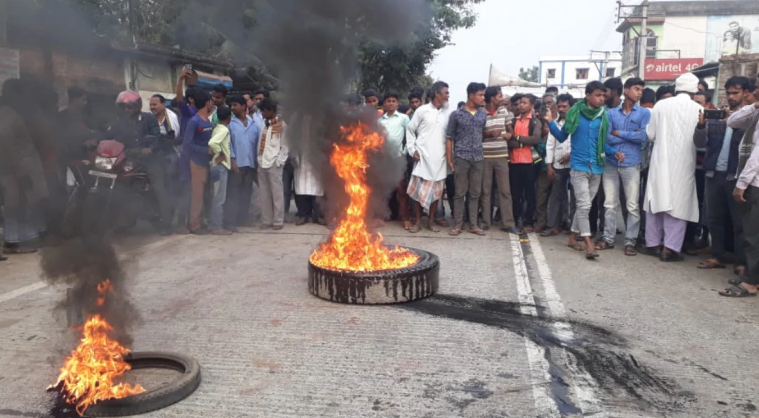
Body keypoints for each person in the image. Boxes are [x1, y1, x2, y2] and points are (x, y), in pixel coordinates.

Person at [642, 73, 708, 261]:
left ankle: (653, 243)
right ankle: (670, 248)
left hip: (660, 160)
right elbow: (701, 140)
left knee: (656, 199)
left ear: (676, 87)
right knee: (679, 204)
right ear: (695, 89)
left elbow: (651, 134)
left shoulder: (661, 105)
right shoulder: (698, 109)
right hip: (685, 162)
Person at [546, 81, 612, 260]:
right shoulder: (575, 113)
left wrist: (615, 152)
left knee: (585, 206)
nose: (601, 99)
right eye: (598, 95)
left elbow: (603, 143)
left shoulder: (603, 115)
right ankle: (588, 243)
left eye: (603, 96)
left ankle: (572, 237)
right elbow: (561, 136)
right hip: (579, 166)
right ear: (588, 95)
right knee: (584, 205)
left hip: (597, 166)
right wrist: (551, 123)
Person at [697, 77, 751, 273]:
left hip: (735, 176)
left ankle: (741, 262)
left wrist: (732, 121)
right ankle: (717, 256)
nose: (731, 97)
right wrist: (702, 125)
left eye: (735, 93)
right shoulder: (717, 115)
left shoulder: (749, 118)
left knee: (739, 223)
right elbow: (700, 143)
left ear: (746, 93)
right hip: (713, 174)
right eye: (728, 93)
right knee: (714, 219)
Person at [107, 90, 175, 235]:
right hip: (129, 159)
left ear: (137, 106)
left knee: (158, 187)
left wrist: (149, 149)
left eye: (129, 106)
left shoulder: (148, 118)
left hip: (149, 160)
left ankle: (167, 223)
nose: (126, 110)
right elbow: (108, 135)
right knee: (120, 186)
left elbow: (156, 136)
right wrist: (95, 139)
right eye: (123, 107)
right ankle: (123, 221)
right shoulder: (119, 123)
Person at [597, 78, 650, 256]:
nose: (640, 92)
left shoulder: (644, 114)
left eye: (641, 89)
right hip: (612, 163)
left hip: (632, 163)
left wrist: (619, 132)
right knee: (609, 203)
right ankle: (608, 238)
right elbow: (607, 138)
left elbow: (643, 137)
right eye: (636, 89)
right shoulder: (610, 113)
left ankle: (630, 241)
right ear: (626, 91)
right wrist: (630, 135)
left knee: (632, 205)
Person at [719, 81, 759, 297]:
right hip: (752, 180)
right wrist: (753, 106)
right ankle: (751, 277)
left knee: (753, 236)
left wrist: (741, 184)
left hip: (755, 182)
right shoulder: (755, 113)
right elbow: (732, 121)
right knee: (750, 234)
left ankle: (751, 283)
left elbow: (756, 157)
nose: (754, 92)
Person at [0, 80, 49, 254]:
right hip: (15, 169)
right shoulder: (7, 113)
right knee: (17, 204)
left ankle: (22, 239)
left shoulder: (11, 112)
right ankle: (12, 243)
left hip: (16, 167)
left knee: (24, 203)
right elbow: (6, 143)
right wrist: (19, 172)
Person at [406, 81, 451, 233]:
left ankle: (431, 222)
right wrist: (413, 150)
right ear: (437, 93)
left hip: (440, 159)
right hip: (423, 158)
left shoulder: (446, 113)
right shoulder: (422, 110)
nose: (448, 95)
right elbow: (410, 130)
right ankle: (418, 221)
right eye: (446, 92)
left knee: (436, 194)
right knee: (419, 192)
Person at [446, 82, 488, 236]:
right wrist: (450, 159)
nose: (483, 98)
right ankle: (458, 224)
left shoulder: (482, 114)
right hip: (461, 157)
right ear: (471, 95)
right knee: (459, 193)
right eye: (480, 95)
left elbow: (481, 133)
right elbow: (449, 137)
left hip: (478, 157)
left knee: (475, 193)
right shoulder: (456, 114)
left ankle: (473, 224)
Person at [481, 86, 516, 233]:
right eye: (499, 96)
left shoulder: (504, 112)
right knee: (485, 191)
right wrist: (488, 133)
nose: (502, 99)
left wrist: (509, 135)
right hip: (485, 156)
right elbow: (477, 134)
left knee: (505, 191)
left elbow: (510, 131)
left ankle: (508, 223)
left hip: (501, 155)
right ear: (492, 98)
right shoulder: (480, 113)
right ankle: (485, 222)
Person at [224, 95, 261, 231]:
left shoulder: (254, 126)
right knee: (233, 193)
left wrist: (257, 164)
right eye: (231, 106)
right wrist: (232, 160)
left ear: (244, 106)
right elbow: (228, 145)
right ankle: (230, 221)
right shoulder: (230, 125)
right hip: (237, 164)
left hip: (250, 164)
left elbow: (256, 145)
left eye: (235, 105)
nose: (232, 108)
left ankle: (243, 219)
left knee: (246, 193)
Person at [181, 90, 215, 235]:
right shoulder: (194, 121)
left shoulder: (208, 121)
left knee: (206, 194)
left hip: (208, 163)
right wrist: (204, 150)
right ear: (207, 103)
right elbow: (187, 144)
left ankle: (202, 221)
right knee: (197, 195)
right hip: (197, 163)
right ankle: (194, 225)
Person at [509, 94, 543, 233]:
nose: (520, 105)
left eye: (524, 103)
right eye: (519, 103)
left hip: (529, 162)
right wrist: (523, 141)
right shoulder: (513, 121)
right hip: (514, 161)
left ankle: (529, 221)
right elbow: (508, 141)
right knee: (515, 193)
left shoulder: (535, 122)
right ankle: (516, 219)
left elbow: (535, 139)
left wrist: (516, 138)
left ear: (531, 106)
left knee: (530, 194)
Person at [542, 93, 575, 237]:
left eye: (565, 106)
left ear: (571, 107)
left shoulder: (577, 122)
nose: (562, 109)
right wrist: (549, 165)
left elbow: (581, 142)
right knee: (556, 195)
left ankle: (573, 227)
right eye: (559, 106)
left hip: (574, 164)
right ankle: (552, 225)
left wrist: (571, 154)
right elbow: (550, 145)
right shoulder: (554, 124)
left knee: (575, 197)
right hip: (557, 165)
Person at [378, 91, 412, 229]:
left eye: (393, 101)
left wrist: (404, 152)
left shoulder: (404, 118)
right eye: (388, 101)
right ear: (384, 104)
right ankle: (381, 216)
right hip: (384, 159)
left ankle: (405, 218)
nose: (391, 103)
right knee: (382, 189)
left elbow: (409, 137)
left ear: (397, 103)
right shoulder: (380, 121)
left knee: (401, 190)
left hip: (398, 158)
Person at [257, 98, 288, 230]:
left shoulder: (282, 126)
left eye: (264, 111)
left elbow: (286, 147)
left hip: (274, 164)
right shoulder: (265, 124)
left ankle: (278, 221)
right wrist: (259, 159)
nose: (262, 113)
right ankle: (266, 220)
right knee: (264, 194)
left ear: (271, 110)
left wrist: (279, 162)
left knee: (277, 194)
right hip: (262, 162)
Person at [291, 112, 324, 226]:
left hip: (317, 157)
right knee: (301, 186)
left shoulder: (322, 116)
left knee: (318, 187)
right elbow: (291, 137)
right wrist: (294, 154)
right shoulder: (297, 118)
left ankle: (318, 215)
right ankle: (303, 214)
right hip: (301, 157)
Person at [207, 106, 232, 235]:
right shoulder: (224, 130)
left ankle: (214, 224)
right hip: (220, 166)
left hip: (216, 165)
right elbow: (212, 143)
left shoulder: (216, 128)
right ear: (229, 118)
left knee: (216, 196)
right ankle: (216, 226)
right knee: (219, 198)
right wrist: (220, 152)